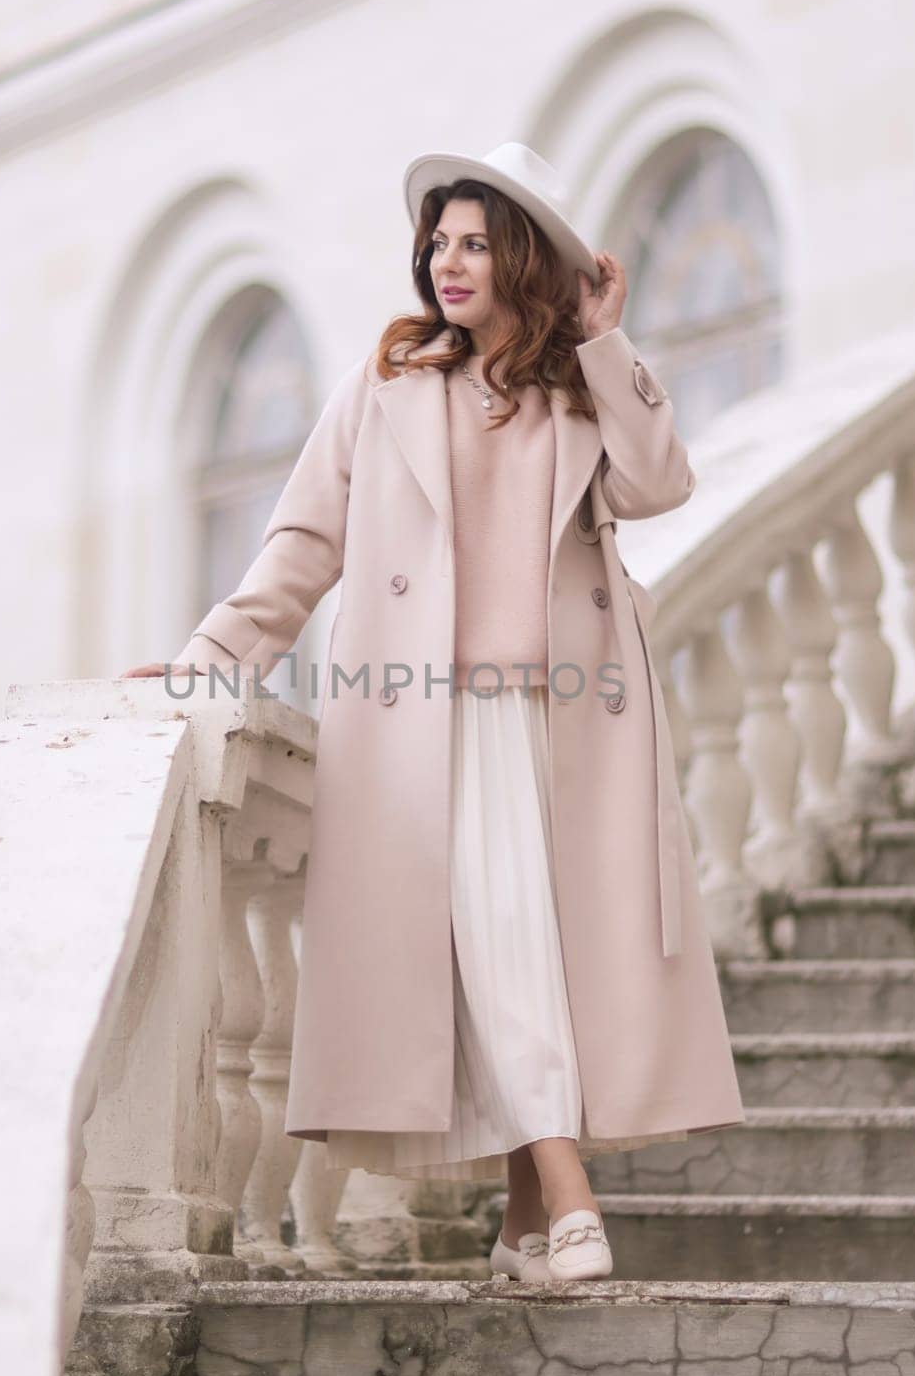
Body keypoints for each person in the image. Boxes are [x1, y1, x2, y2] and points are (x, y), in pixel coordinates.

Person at [124, 142, 745, 1285]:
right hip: (418, 723)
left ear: (519, 256)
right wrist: (209, 657)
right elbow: (304, 543)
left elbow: (660, 484)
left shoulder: (574, 394)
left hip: (564, 726)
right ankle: (566, 1203)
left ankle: (528, 1219)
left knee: (527, 958)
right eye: (435, 242)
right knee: (501, 946)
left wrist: (605, 339)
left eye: (471, 242)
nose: (445, 262)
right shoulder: (384, 389)